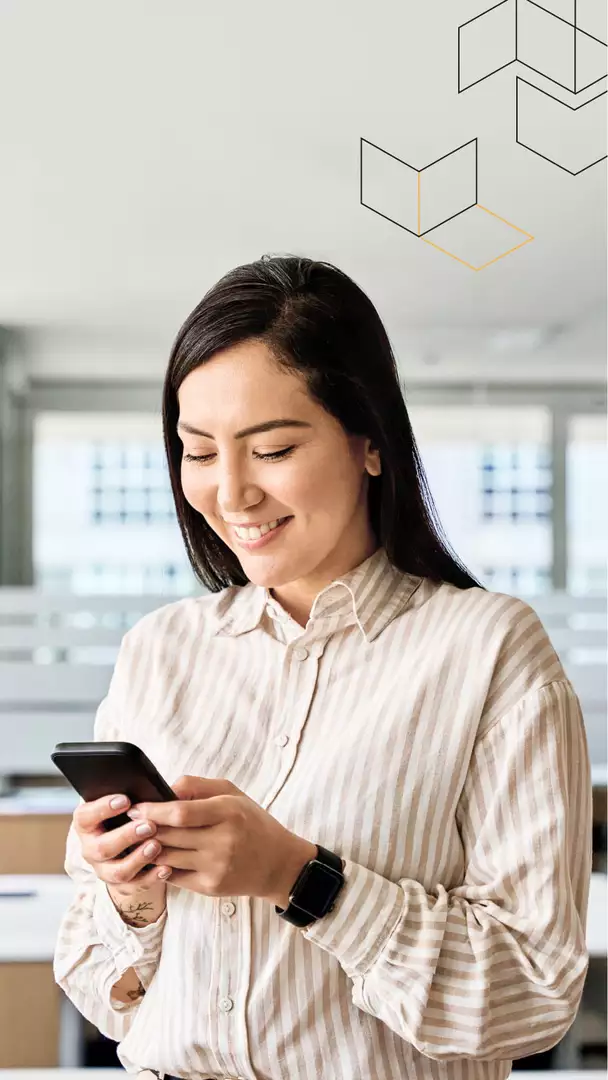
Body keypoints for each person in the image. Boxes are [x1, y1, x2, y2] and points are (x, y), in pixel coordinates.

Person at [54, 255, 592, 1080]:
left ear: (369, 441)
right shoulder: (159, 652)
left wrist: (302, 878)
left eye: (270, 448)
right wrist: (133, 897)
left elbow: (533, 995)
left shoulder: (488, 649)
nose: (230, 493)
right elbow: (103, 990)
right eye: (198, 452)